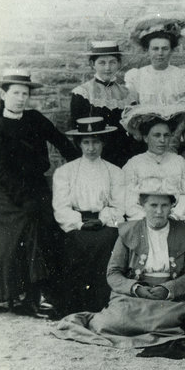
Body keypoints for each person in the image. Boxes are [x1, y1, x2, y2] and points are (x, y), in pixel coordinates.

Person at [52, 177, 185, 348]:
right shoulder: (128, 231)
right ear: (142, 205)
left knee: (174, 317)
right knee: (113, 321)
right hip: (132, 298)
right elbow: (113, 272)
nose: (159, 211)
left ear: (172, 205)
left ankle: (151, 325)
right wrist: (135, 288)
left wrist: (168, 289)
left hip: (169, 302)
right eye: (153, 205)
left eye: (164, 205)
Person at [0, 70, 80, 315]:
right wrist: (23, 199)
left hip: (35, 185)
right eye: (15, 93)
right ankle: (9, 294)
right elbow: (1, 168)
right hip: (8, 191)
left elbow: (61, 142)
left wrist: (81, 166)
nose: (21, 98)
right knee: (25, 224)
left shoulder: (35, 119)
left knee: (46, 225)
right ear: (3, 95)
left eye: (25, 94)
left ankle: (38, 293)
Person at [52, 117, 126, 313]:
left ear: (103, 143)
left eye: (96, 142)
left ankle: (101, 304)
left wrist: (103, 219)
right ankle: (74, 305)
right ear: (79, 144)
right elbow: (61, 207)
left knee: (107, 241)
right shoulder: (65, 172)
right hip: (75, 224)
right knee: (74, 243)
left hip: (105, 223)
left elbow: (119, 206)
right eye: (86, 142)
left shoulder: (115, 172)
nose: (91, 148)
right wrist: (79, 223)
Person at [69, 41, 140, 166]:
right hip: (95, 157)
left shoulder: (127, 94)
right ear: (92, 64)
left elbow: (134, 128)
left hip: (125, 156)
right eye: (102, 63)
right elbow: (77, 133)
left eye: (112, 62)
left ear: (119, 64)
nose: (108, 68)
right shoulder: (82, 93)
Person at [121, 110, 185, 223]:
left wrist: (175, 215)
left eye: (166, 135)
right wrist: (145, 218)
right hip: (142, 220)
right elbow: (129, 199)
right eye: (157, 135)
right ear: (146, 138)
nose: (162, 140)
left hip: (174, 220)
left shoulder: (179, 161)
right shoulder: (134, 163)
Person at [125, 17, 185, 105]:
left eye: (165, 49)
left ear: (171, 51)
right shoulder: (136, 76)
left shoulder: (181, 76)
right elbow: (131, 106)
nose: (160, 53)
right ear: (147, 50)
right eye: (155, 49)